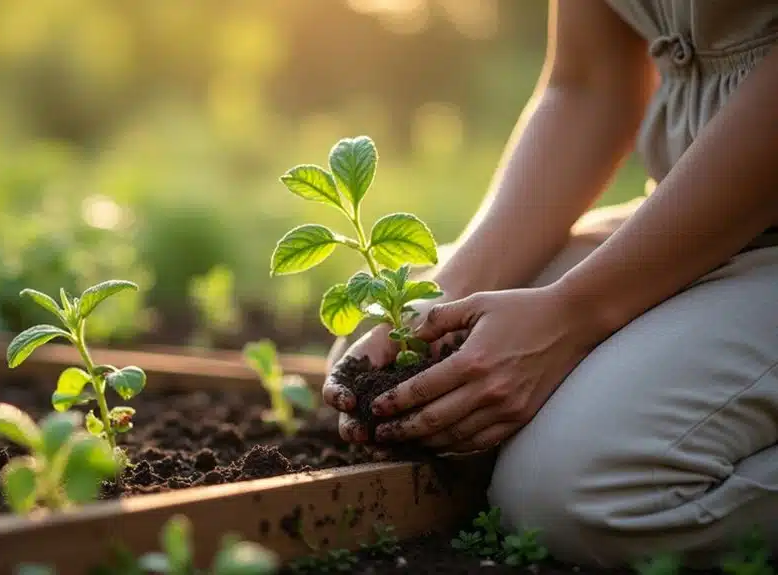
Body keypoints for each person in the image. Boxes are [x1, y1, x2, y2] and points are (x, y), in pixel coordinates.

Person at [322, 0, 778, 568]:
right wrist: (445, 292)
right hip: (679, 216)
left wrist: (572, 315)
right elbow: (588, 84)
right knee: (384, 358)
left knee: (582, 493)